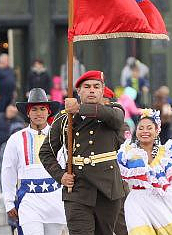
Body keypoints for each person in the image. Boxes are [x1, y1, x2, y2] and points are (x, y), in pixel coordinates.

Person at [38, 70, 128, 234]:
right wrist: (61, 176)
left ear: (102, 90)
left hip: (107, 190)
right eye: (86, 87)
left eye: (96, 86)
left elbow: (115, 118)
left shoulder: (113, 111)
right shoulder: (64, 118)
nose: (92, 90)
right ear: (78, 91)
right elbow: (46, 152)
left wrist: (80, 108)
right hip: (78, 190)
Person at [0, 88, 65, 235]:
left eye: (43, 109)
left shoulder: (60, 135)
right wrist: (9, 202)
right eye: (34, 109)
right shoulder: (16, 139)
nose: (38, 113)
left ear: (49, 112)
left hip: (55, 199)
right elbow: (8, 171)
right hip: (29, 200)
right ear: (28, 113)